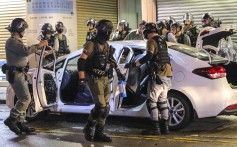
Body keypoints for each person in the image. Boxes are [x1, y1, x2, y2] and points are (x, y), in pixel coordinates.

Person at [77, 19, 125, 142]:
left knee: (106, 107)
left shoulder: (106, 45)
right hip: (94, 78)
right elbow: (81, 61)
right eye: (108, 31)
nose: (109, 34)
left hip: (104, 78)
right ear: (105, 31)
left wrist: (119, 73)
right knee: (100, 107)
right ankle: (88, 127)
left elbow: (111, 60)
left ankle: (99, 132)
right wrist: (82, 78)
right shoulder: (91, 44)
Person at [124, 22, 172, 135]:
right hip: (167, 74)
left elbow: (149, 56)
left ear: (147, 32)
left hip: (158, 74)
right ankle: (165, 128)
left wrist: (135, 64)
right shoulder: (162, 40)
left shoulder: (151, 41)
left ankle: (155, 128)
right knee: (163, 101)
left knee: (152, 102)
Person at [3, 18, 48, 135]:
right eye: (24, 30)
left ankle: (20, 123)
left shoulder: (16, 42)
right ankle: (11, 119)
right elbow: (25, 51)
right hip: (15, 74)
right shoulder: (12, 42)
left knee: (23, 98)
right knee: (25, 98)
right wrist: (39, 45)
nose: (25, 32)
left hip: (19, 73)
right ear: (19, 29)